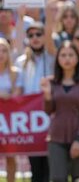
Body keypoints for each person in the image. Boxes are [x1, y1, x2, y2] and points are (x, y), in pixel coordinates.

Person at [41, 41, 79, 182]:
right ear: (58, 59)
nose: (67, 59)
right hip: (56, 137)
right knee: (58, 178)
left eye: (71, 55)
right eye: (63, 55)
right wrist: (47, 96)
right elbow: (48, 110)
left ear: (77, 58)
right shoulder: (52, 82)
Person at [15, 22, 54, 182]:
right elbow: (19, 90)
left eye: (39, 34)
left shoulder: (52, 57)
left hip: (51, 115)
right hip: (31, 119)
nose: (35, 38)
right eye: (31, 35)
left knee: (52, 163)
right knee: (35, 163)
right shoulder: (21, 61)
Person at [0, 38, 22, 182]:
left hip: (9, 123)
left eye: (4, 51)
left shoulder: (15, 73)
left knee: (10, 157)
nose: (1, 54)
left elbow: (18, 95)